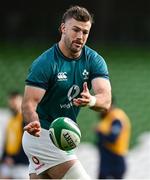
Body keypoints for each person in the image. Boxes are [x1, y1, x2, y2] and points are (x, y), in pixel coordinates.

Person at [21, 5, 112, 179]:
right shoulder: (45, 63)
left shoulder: (94, 60)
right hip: (42, 135)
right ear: (63, 28)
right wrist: (33, 121)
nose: (80, 36)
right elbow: (29, 103)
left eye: (85, 32)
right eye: (75, 30)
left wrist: (91, 100)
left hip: (61, 139)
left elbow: (105, 99)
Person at [95, 98, 131, 179]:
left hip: (114, 160)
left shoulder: (116, 117)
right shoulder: (108, 117)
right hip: (107, 160)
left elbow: (112, 138)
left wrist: (100, 132)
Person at [0, 91, 29, 179]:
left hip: (22, 164)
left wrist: (15, 159)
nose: (13, 104)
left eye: (15, 101)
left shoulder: (25, 120)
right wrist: (5, 157)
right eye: (11, 101)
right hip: (9, 162)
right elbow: (8, 141)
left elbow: (26, 142)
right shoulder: (11, 120)